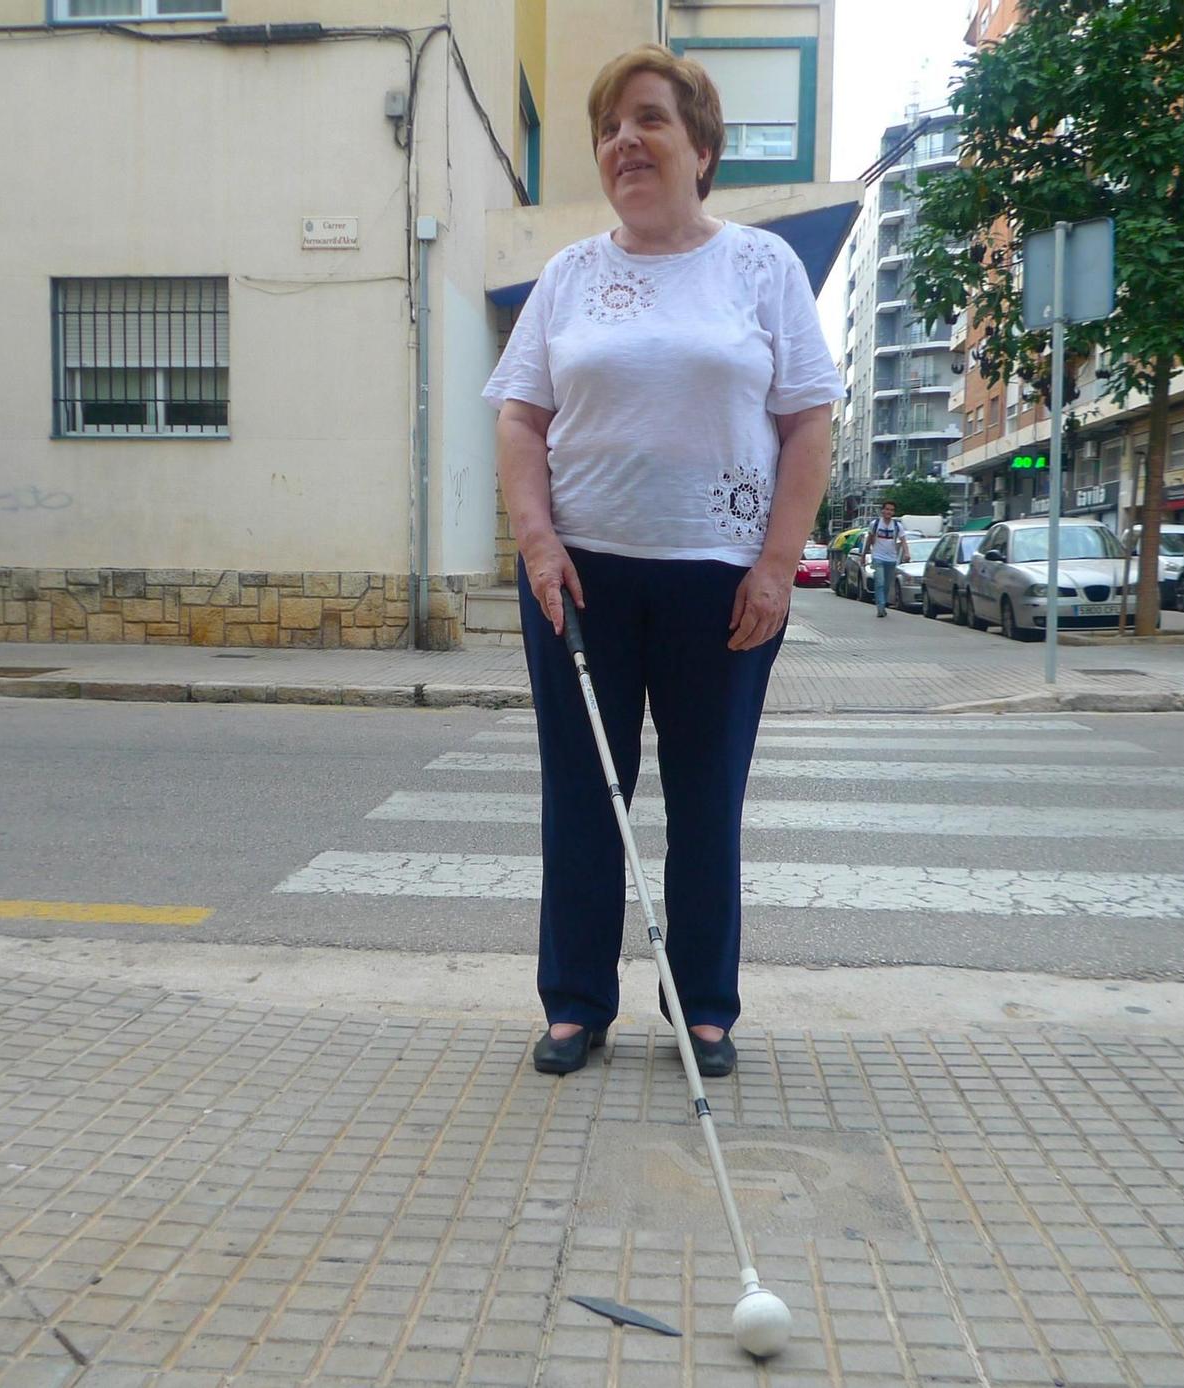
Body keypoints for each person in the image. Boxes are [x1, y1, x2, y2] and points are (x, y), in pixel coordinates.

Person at [482, 45, 840, 1079]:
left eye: (647, 120)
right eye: (605, 128)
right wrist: (536, 539)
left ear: (702, 147)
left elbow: (807, 422)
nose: (622, 142)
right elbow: (519, 418)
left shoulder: (760, 267)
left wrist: (777, 563)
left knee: (705, 795)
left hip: (719, 577)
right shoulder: (568, 276)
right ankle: (576, 1000)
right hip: (580, 574)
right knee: (584, 794)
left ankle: (703, 1007)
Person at [863, 501, 906, 617]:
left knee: (887, 585)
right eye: (887, 509)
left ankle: (883, 603)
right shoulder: (875, 524)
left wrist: (907, 553)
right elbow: (869, 539)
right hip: (878, 557)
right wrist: (864, 554)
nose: (889, 512)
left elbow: (903, 540)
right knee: (880, 582)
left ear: (893, 512)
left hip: (891, 559)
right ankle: (880, 607)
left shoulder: (897, 526)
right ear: (882, 510)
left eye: (891, 510)